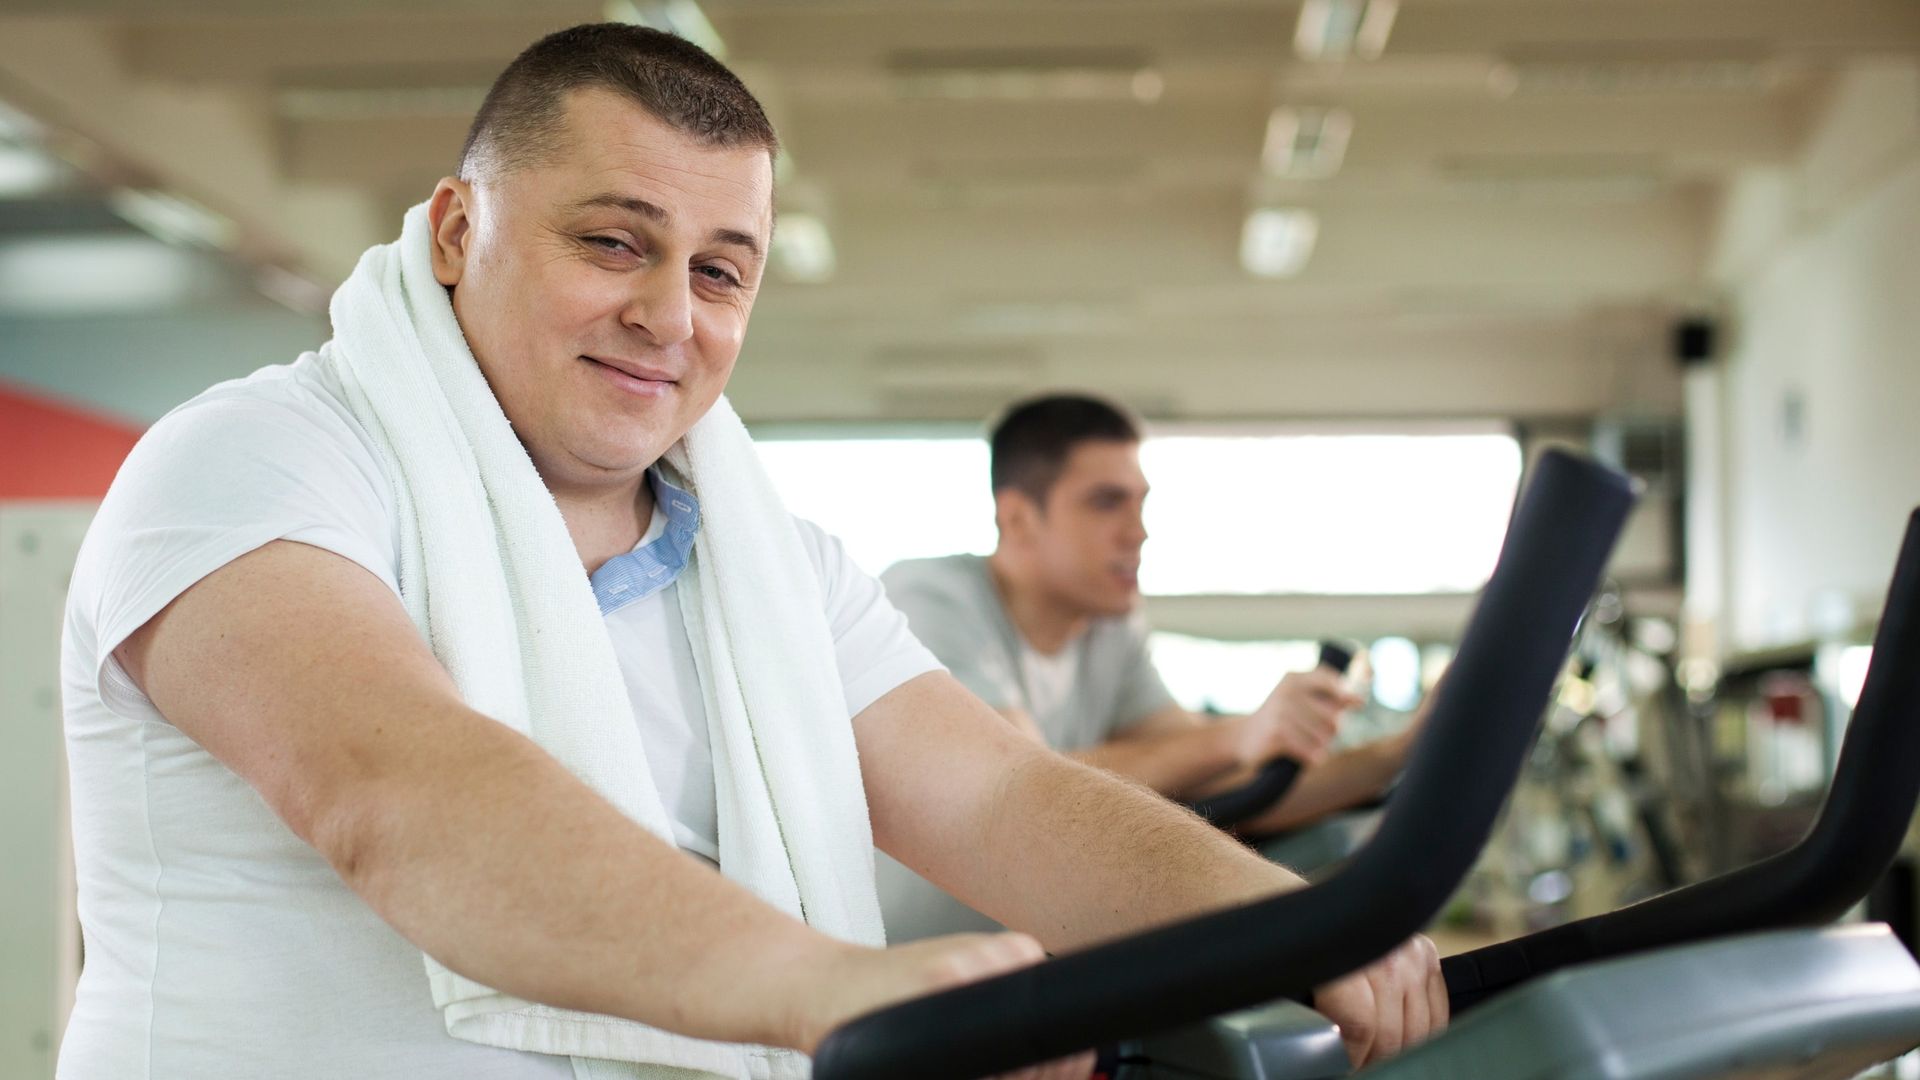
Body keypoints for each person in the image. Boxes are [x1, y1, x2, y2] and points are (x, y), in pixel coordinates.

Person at [58, 25, 1442, 1080]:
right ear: (457, 229)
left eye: (721, 271)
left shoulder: (771, 565)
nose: (669, 316)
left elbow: (1001, 800)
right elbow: (399, 791)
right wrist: (833, 986)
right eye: (615, 242)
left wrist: (1309, 926)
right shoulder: (257, 462)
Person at [877, 394, 1419, 941]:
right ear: (1017, 517)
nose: (1138, 531)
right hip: (898, 976)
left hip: (1017, 974)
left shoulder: (1110, 626)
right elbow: (1019, 789)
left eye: (1140, 503)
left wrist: (1403, 750)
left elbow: (1227, 784)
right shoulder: (930, 597)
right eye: (1106, 502)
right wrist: (1235, 736)